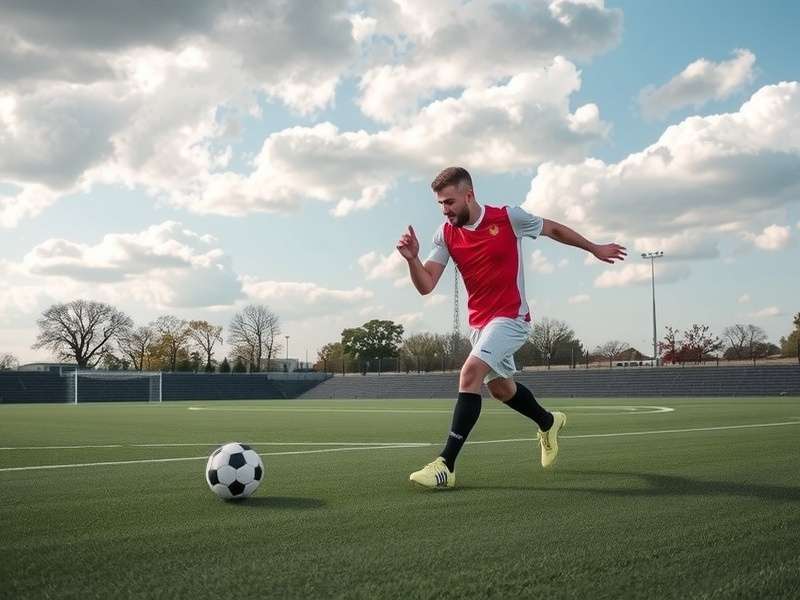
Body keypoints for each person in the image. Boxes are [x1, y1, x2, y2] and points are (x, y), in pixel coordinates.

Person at [396, 167, 626, 488]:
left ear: (469, 195)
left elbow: (553, 230)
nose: (445, 210)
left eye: (449, 202)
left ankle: (445, 465)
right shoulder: (446, 234)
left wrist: (594, 248)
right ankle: (548, 422)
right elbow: (426, 284)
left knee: (469, 374)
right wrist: (412, 260)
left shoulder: (508, 218)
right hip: (479, 324)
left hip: (512, 318)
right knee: (501, 389)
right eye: (440, 205)